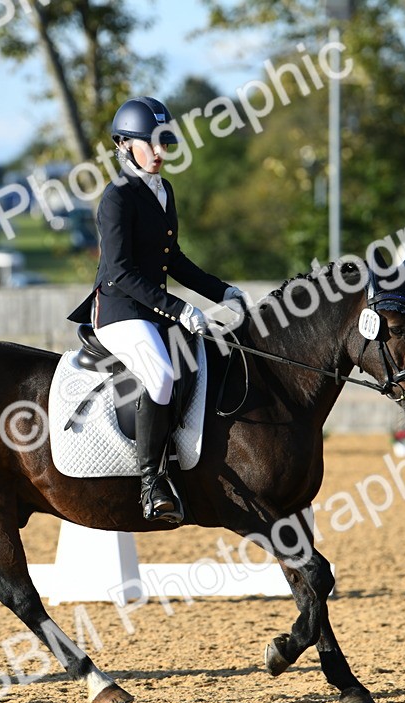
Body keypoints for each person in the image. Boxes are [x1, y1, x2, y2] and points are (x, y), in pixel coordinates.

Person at [68, 96, 251, 524]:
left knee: (201, 360)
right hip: (118, 309)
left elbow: (174, 260)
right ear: (124, 145)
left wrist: (220, 291)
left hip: (152, 309)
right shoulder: (116, 199)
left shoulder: (163, 190)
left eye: (165, 143)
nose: (161, 152)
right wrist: (179, 308)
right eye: (151, 144)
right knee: (161, 375)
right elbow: (120, 273)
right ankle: (151, 484)